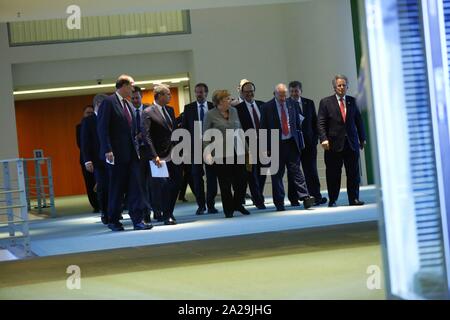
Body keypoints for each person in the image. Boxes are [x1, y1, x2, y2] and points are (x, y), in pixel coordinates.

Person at [97, 74, 152, 231]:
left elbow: (131, 128)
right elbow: (102, 128)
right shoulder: (108, 103)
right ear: (123, 85)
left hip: (132, 154)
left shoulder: (127, 104)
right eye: (131, 85)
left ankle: (138, 220)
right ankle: (113, 220)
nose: (133, 89)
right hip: (116, 155)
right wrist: (107, 149)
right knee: (117, 188)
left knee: (136, 188)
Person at [260, 83, 316, 211]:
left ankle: (305, 197)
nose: (283, 99)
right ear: (274, 94)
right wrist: (265, 147)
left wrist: (299, 140)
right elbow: (263, 128)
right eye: (280, 96)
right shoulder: (266, 107)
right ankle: (279, 203)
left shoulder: (292, 104)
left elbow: (297, 123)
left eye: (284, 96)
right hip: (275, 144)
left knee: (296, 171)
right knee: (277, 175)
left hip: (291, 143)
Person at [318, 75, 366, 207]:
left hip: (351, 143)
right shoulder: (326, 102)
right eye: (339, 85)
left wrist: (362, 138)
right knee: (333, 174)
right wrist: (323, 139)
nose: (341, 87)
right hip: (333, 145)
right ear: (334, 87)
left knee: (353, 173)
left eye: (344, 85)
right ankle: (333, 200)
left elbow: (359, 121)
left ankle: (354, 199)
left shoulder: (353, 101)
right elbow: (321, 123)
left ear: (347, 86)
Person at [203, 90, 250, 218]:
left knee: (242, 181)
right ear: (220, 101)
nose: (230, 100)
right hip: (220, 154)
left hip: (237, 150)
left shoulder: (234, 111)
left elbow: (240, 130)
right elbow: (206, 136)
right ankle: (228, 209)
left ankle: (238, 204)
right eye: (228, 99)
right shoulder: (210, 115)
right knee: (225, 184)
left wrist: (246, 150)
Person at [141, 84, 181, 225]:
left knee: (176, 183)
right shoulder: (147, 112)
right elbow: (146, 135)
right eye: (167, 94)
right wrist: (154, 154)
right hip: (159, 155)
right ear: (159, 96)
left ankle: (169, 211)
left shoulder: (170, 110)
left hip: (173, 153)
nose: (170, 96)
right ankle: (165, 215)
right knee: (163, 185)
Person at [287, 81, 327, 206]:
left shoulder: (309, 103)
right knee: (293, 172)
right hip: (294, 144)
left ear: (301, 91)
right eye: (292, 91)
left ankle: (316, 196)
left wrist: (316, 138)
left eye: (296, 90)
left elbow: (315, 122)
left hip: (309, 143)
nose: (294, 93)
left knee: (311, 171)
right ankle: (294, 199)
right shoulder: (286, 104)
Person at [182, 83, 218, 215]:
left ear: (206, 93)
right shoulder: (189, 108)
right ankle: (201, 205)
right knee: (197, 178)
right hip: (195, 149)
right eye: (197, 92)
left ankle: (211, 204)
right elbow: (185, 129)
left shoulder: (212, 107)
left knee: (212, 177)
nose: (199, 94)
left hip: (211, 147)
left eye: (201, 92)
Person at [235, 81, 266, 209]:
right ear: (242, 93)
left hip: (264, 143)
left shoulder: (262, 105)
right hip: (248, 145)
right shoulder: (237, 109)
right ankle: (258, 200)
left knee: (263, 172)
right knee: (251, 174)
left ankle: (258, 195)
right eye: (246, 92)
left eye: (251, 91)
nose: (249, 93)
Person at [80, 94, 109, 224]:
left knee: (114, 186)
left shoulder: (110, 118)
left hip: (113, 159)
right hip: (98, 160)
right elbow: (84, 142)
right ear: (98, 104)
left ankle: (115, 210)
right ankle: (104, 211)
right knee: (102, 186)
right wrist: (87, 160)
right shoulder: (88, 121)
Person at [130, 85, 154, 223]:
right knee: (141, 184)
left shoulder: (149, 109)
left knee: (154, 183)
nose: (135, 100)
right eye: (132, 98)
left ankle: (157, 210)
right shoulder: (127, 112)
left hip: (150, 151)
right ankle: (145, 212)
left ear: (141, 97)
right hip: (136, 153)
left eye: (137, 98)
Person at [76, 105, 98, 213]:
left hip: (98, 158)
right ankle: (95, 205)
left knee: (100, 182)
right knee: (90, 183)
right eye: (87, 113)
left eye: (91, 113)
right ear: (83, 114)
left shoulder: (98, 124)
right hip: (86, 159)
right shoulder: (80, 127)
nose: (90, 115)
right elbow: (81, 144)